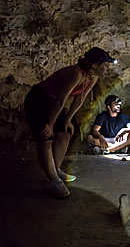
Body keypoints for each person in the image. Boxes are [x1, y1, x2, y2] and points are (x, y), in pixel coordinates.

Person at [24, 47, 116, 198]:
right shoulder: (76, 73)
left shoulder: (93, 78)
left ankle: (57, 169)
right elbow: (61, 100)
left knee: (66, 133)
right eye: (105, 65)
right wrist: (50, 124)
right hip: (38, 100)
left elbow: (79, 99)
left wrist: (68, 120)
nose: (107, 69)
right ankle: (53, 180)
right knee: (46, 138)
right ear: (94, 65)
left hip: (53, 102)